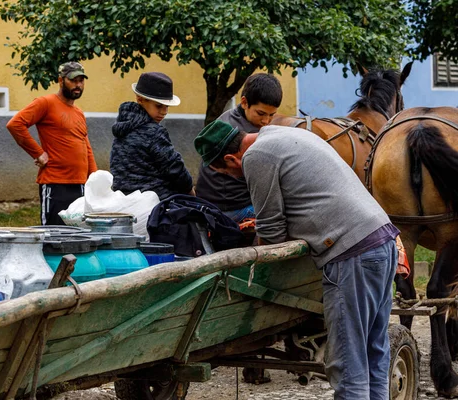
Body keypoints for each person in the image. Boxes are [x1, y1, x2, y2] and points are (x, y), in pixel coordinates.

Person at [194, 120, 398, 400]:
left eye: (227, 172)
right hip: (382, 238)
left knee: (348, 363)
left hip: (351, 253)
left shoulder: (256, 156)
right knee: (374, 354)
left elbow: (272, 231)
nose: (234, 177)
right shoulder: (285, 133)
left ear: (231, 158)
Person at [6, 61, 97, 225]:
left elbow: (86, 147)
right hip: (56, 184)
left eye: (81, 81)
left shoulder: (79, 113)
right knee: (53, 236)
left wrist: (95, 179)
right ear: (61, 80)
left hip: (81, 186)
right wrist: (38, 153)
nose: (78, 85)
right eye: (73, 80)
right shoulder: (45, 103)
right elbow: (15, 124)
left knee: (79, 236)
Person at [195, 73, 282, 222]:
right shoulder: (243, 136)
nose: (266, 121)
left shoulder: (227, 118)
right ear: (244, 102)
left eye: (271, 115)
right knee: (287, 212)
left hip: (210, 203)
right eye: (261, 113)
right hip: (228, 209)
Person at [110, 72, 194, 200]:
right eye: (159, 106)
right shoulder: (154, 132)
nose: (164, 112)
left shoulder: (122, 127)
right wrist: (190, 190)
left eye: (167, 106)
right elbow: (174, 168)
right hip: (156, 201)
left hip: (124, 199)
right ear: (140, 99)